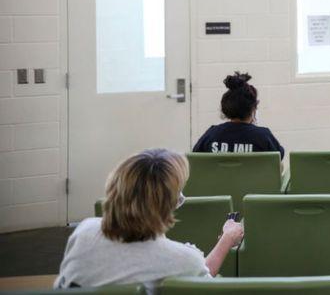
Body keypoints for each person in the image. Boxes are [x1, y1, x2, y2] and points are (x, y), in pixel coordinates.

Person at [55, 149, 243, 290]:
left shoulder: (83, 232)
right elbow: (203, 280)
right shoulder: (183, 260)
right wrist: (227, 239)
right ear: (168, 205)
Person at [193, 72, 284, 158]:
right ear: (253, 108)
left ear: (225, 108)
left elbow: (194, 158)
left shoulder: (212, 134)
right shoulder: (264, 136)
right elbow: (279, 157)